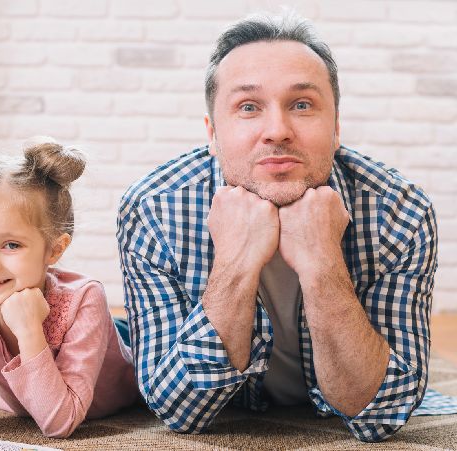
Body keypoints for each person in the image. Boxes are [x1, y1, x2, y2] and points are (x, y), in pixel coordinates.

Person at [117, 12, 437, 443]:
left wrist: (323, 265)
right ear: (212, 133)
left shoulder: (401, 214)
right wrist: (235, 262)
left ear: (337, 127)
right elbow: (178, 411)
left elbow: (382, 412)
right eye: (248, 107)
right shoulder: (152, 210)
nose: (277, 131)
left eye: (301, 105)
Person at [0, 133, 138, 438]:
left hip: (122, 361)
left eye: (11, 245)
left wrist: (28, 331)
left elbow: (60, 422)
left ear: (54, 249)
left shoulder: (85, 298)